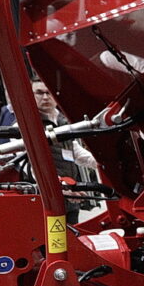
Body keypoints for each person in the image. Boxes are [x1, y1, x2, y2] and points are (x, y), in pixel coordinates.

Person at [31, 80, 97, 224]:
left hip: (70, 199)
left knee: (72, 241)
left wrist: (99, 162)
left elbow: (74, 150)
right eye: (39, 93)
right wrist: (56, 186)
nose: (45, 97)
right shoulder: (26, 124)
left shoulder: (62, 120)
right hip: (44, 201)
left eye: (49, 92)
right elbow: (27, 165)